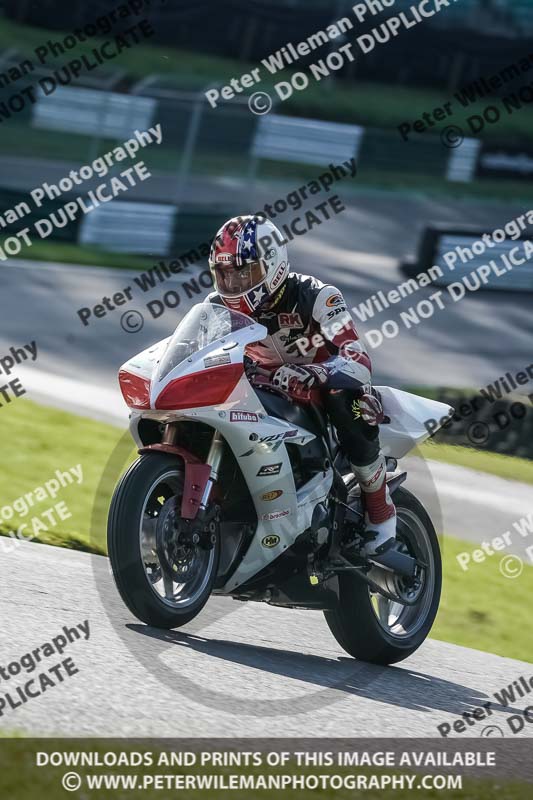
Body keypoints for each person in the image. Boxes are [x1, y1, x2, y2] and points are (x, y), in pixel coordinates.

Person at [208, 215, 396, 556]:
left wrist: (317, 373)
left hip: (326, 392)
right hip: (265, 393)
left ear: (273, 265)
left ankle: (382, 514)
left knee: (351, 404)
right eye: (225, 274)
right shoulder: (216, 308)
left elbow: (359, 360)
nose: (233, 283)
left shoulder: (319, 297)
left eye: (243, 272)